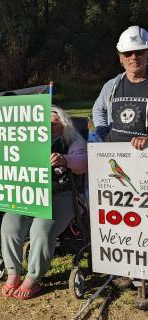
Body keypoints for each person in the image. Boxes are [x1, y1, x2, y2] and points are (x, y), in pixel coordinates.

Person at [0, 106, 88, 299]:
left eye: (55, 123)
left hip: (63, 195)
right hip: (30, 195)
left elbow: (83, 162)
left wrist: (65, 160)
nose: (50, 126)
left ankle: (33, 278)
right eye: (46, 123)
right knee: (10, 223)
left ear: (63, 124)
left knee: (41, 229)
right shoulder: (28, 141)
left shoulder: (73, 141)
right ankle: (13, 272)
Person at [92, 25, 148, 308]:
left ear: (147, 53)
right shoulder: (112, 85)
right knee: (122, 216)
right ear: (120, 57)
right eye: (128, 53)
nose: (134, 57)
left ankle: (143, 282)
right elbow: (98, 110)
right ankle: (126, 271)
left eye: (139, 52)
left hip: (146, 163)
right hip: (117, 163)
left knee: (145, 218)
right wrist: (104, 136)